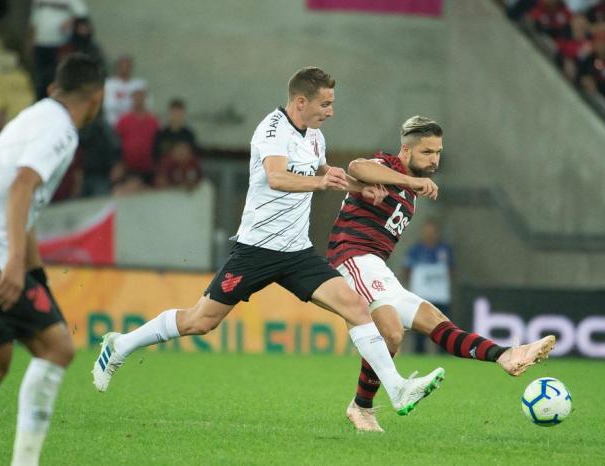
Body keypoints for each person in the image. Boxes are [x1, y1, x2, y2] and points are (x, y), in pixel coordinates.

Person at [92, 67, 445, 418]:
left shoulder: (315, 136)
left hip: (297, 252)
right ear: (301, 101)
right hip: (256, 250)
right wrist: (322, 184)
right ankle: (121, 345)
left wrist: (356, 186)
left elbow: (319, 171)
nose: (331, 111)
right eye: (325, 103)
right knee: (200, 321)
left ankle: (396, 389)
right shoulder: (272, 130)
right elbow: (277, 177)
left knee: (355, 307)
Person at [325, 115, 556, 432]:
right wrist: (409, 180)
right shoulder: (388, 166)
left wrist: (410, 185)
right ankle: (371, 402)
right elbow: (357, 168)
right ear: (406, 151)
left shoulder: (409, 192)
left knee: (435, 322)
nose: (434, 160)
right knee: (392, 332)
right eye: (427, 152)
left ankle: (507, 356)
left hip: (377, 266)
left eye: (438, 152)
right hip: (351, 257)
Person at [0, 53, 104, 466]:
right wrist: (12, 264)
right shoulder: (61, 129)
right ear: (97, 98)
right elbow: (22, 187)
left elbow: (24, 202)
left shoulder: (34, 117)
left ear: (53, 89)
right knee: (58, 348)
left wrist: (33, 270)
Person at [403, 218, 453, 354]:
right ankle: (420, 358)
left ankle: (444, 360)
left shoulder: (445, 250)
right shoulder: (415, 250)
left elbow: (451, 270)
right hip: (422, 298)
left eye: (432, 231)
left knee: (443, 331)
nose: (429, 234)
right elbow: (407, 270)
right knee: (420, 334)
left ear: (437, 233)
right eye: (427, 231)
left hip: (440, 297)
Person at [103, 55, 147, 126]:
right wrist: (130, 103)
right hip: (113, 124)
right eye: (123, 65)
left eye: (128, 66)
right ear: (118, 67)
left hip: (133, 126)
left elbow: (146, 105)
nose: (125, 68)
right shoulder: (109, 84)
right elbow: (108, 105)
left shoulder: (138, 85)